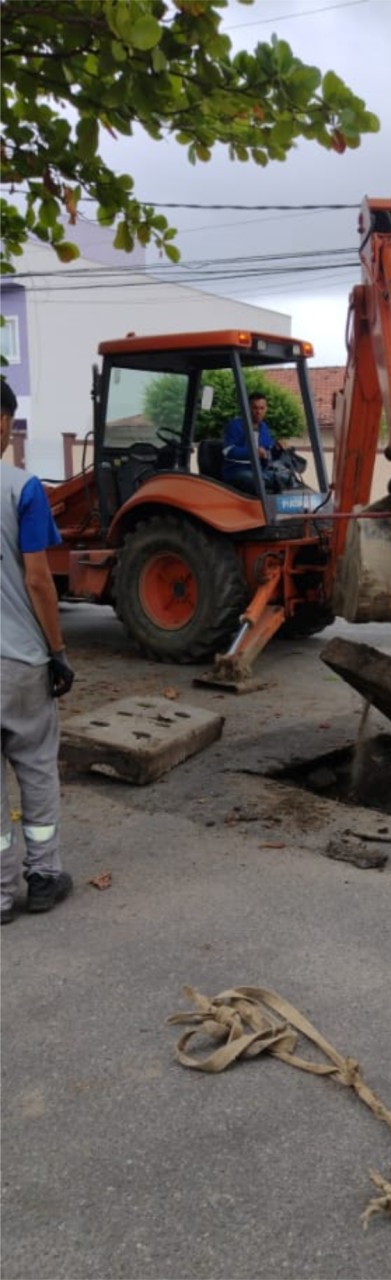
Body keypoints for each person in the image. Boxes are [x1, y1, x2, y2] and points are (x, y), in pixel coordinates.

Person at [1, 378, 74, 926]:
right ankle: (44, 876)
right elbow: (38, 579)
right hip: (21, 661)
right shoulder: (22, 488)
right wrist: (58, 650)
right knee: (37, 768)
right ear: (4, 424)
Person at [222, 391, 282, 493]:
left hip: (260, 470)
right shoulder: (235, 425)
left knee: (286, 478)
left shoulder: (264, 428)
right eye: (255, 408)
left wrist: (278, 449)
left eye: (262, 408)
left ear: (266, 409)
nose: (258, 412)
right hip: (237, 470)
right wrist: (253, 452)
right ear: (248, 409)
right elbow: (228, 451)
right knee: (258, 482)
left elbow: (268, 453)